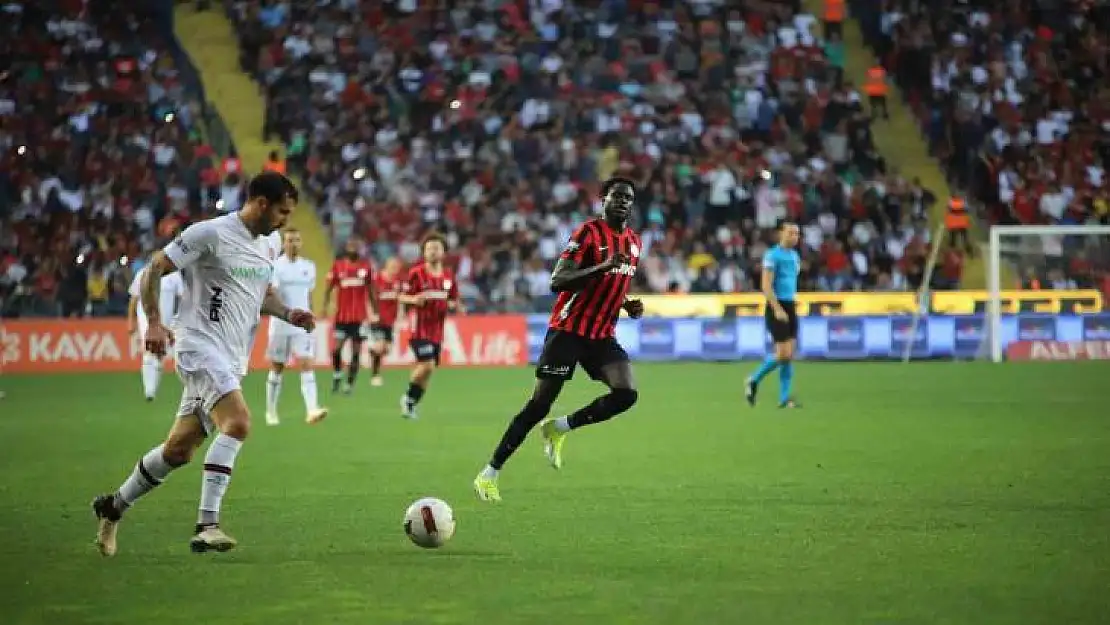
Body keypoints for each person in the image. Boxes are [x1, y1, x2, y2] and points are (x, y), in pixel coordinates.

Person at [90, 171, 312, 556]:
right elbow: (155, 268)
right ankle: (207, 524)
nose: (284, 221)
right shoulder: (209, 234)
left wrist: (289, 313)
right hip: (197, 346)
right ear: (260, 204)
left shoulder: (270, 243)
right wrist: (155, 322)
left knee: (178, 451)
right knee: (238, 422)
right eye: (281, 212)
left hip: (231, 357)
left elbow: (262, 292)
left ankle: (113, 508)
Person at [474, 177, 644, 502]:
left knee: (626, 394)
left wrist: (627, 304)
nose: (623, 201)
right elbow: (559, 280)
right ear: (603, 200)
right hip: (568, 330)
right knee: (539, 405)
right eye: (616, 196)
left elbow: (613, 284)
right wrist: (603, 265)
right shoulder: (588, 233)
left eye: (628, 198)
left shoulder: (634, 242)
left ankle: (560, 428)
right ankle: (489, 473)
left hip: (601, 334)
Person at [264, 228, 327, 425]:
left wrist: (312, 315)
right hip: (281, 324)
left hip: (302, 326)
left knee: (307, 363)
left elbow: (308, 295)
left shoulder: (309, 266)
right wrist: (285, 314)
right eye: (290, 240)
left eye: (297, 240)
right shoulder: (275, 266)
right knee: (277, 367)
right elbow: (272, 294)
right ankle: (271, 411)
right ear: (284, 243)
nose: (293, 244)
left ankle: (312, 410)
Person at [398, 233, 463, 419]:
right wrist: (414, 299)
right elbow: (401, 296)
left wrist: (456, 306)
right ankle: (406, 397)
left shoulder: (449, 276)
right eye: (429, 249)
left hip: (437, 331)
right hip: (419, 328)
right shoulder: (416, 274)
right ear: (424, 253)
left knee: (429, 369)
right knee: (426, 365)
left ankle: (411, 402)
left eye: (437, 248)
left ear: (443, 252)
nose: (433, 252)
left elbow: (454, 299)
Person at [746, 220, 802, 408]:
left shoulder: (795, 256)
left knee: (789, 355)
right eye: (790, 233)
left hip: (790, 305)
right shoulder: (772, 255)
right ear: (781, 234)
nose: (794, 237)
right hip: (776, 306)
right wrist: (777, 308)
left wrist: (792, 302)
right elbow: (766, 285)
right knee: (783, 353)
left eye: (796, 233)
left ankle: (784, 398)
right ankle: (754, 379)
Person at [321, 240, 374, 394]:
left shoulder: (366, 267)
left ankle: (350, 383)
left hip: (359, 318)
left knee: (356, 353)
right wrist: (325, 306)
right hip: (342, 318)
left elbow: (371, 291)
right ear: (346, 249)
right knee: (336, 350)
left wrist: (375, 312)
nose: (354, 249)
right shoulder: (338, 266)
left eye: (357, 247)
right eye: (351, 247)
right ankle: (337, 373)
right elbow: (328, 288)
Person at [127, 263, 184, 401]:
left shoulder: (174, 276)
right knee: (149, 350)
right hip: (147, 318)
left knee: (159, 354)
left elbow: (183, 297)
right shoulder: (142, 273)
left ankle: (152, 389)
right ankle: (149, 391)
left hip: (166, 319)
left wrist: (181, 318)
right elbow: (134, 299)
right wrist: (131, 320)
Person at [368, 257, 404, 387]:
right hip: (377, 319)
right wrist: (371, 313)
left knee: (387, 349)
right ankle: (375, 375)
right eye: (393, 265)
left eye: (397, 266)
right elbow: (369, 297)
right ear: (386, 265)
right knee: (380, 346)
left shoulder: (397, 282)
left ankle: (371, 352)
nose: (395, 268)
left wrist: (401, 314)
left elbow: (399, 299)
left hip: (390, 321)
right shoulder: (377, 279)